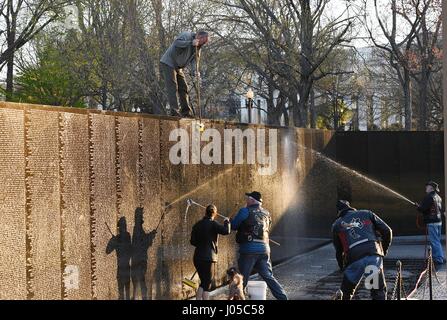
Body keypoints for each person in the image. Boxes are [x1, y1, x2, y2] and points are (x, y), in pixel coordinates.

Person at [231, 191, 288, 300]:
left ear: (252, 200)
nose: (246, 200)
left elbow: (233, 226)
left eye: (248, 198)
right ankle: (283, 298)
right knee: (269, 277)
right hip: (264, 249)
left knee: (242, 279)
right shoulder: (266, 213)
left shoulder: (245, 211)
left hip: (249, 250)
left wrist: (228, 221)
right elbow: (266, 228)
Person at [332, 200, 392, 300]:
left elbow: (339, 250)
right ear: (350, 207)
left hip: (354, 259)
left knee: (345, 293)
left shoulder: (337, 225)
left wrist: (342, 267)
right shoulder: (366, 213)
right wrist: (383, 250)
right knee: (377, 291)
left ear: (338, 212)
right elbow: (387, 231)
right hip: (373, 256)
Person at [160, 31, 209, 118]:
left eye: (205, 43)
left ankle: (186, 112)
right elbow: (176, 43)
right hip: (169, 62)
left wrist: (195, 72)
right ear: (198, 36)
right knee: (173, 86)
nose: (203, 44)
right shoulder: (187, 35)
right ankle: (174, 112)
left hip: (179, 67)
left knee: (184, 87)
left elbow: (195, 61)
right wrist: (190, 43)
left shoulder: (198, 48)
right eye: (202, 41)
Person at [190, 204, 230, 300]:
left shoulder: (197, 224)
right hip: (209, 258)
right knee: (206, 283)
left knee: (203, 281)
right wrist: (227, 222)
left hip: (197, 257)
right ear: (215, 214)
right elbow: (226, 231)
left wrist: (201, 245)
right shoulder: (213, 224)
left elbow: (192, 241)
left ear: (205, 212)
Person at [414, 181, 446, 267]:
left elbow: (423, 209)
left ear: (431, 188)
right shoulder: (438, 197)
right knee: (437, 241)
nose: (426, 188)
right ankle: (437, 257)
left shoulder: (429, 197)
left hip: (432, 222)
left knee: (434, 241)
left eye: (427, 186)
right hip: (439, 221)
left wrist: (418, 207)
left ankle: (439, 259)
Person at [131, 208, 157, 300]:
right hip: (140, 260)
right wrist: (151, 236)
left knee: (139, 282)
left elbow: (144, 240)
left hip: (138, 259)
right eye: (141, 215)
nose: (143, 217)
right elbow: (143, 243)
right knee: (141, 282)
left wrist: (151, 235)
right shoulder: (137, 228)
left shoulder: (138, 228)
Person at [106, 217, 132, 300]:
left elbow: (108, 251)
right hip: (126, 269)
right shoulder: (127, 236)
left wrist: (113, 241)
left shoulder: (120, 238)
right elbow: (108, 251)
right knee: (126, 294)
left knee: (122, 295)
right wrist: (114, 241)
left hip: (121, 269)